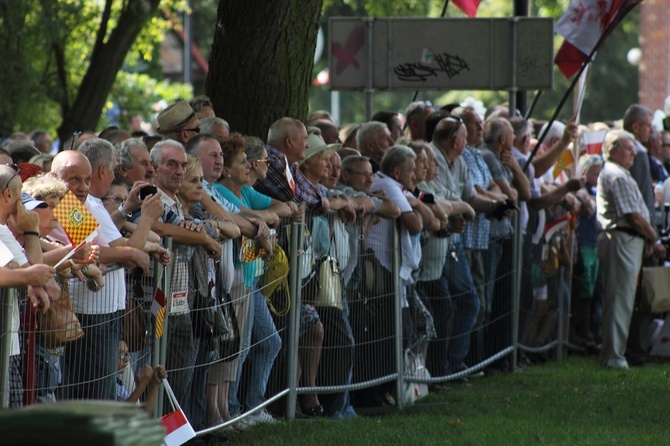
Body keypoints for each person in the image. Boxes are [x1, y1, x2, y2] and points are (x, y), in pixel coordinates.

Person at [50, 145, 156, 400]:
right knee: (92, 395)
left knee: (100, 392)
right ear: (55, 179)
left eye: (86, 180)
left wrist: (124, 252)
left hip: (100, 309)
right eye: (75, 179)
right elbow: (87, 251)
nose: (83, 187)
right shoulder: (63, 204)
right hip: (86, 313)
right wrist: (131, 252)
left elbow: (98, 249)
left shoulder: (77, 205)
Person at [597, 130, 665, 369]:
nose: (634, 152)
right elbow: (633, 216)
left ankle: (614, 354)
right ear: (612, 150)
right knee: (620, 300)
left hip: (629, 240)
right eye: (628, 148)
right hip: (623, 239)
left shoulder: (619, 173)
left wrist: (645, 239)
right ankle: (613, 356)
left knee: (622, 299)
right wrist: (653, 237)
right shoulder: (616, 175)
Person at [117, 339, 168, 415]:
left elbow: (143, 415)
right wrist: (141, 386)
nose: (125, 359)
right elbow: (120, 415)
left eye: (126, 354)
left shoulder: (120, 388)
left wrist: (154, 384)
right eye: (121, 354)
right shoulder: (106, 386)